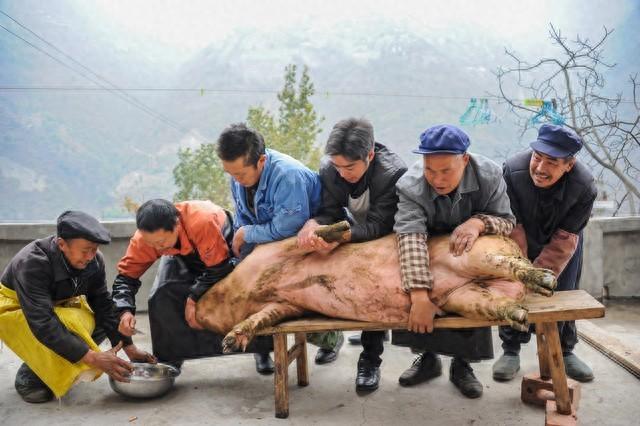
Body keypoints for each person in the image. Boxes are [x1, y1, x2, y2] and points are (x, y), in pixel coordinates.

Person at [393, 124, 515, 398]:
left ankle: (463, 365)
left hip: (469, 249)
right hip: (426, 245)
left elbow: (507, 222)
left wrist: (478, 223)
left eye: (446, 170)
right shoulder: (410, 184)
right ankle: (426, 359)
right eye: (430, 170)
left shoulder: (490, 174)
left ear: (465, 160)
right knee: (415, 295)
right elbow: (409, 235)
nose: (437, 179)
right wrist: (420, 297)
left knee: (470, 295)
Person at [297, 117, 407, 392]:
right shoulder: (330, 170)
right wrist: (315, 224)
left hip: (390, 237)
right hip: (354, 230)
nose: (343, 173)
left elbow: (380, 225)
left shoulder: (393, 173)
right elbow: (330, 212)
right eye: (337, 166)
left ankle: (370, 359)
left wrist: (341, 237)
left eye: (350, 167)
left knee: (374, 283)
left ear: (370, 155)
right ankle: (331, 336)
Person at [0, 211, 153, 403]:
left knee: (97, 320)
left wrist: (129, 347)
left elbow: (103, 304)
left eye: (94, 249)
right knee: (67, 324)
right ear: (62, 244)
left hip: (58, 306)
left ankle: (58, 363)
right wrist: (92, 357)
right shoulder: (32, 263)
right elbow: (42, 321)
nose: (90, 256)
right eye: (85, 250)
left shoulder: (94, 260)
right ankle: (30, 376)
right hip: (16, 309)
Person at [216, 123, 335, 368]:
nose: (236, 180)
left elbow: (289, 228)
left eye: (240, 174)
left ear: (260, 161)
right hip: (267, 241)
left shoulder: (287, 175)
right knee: (248, 285)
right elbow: (243, 218)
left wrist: (248, 233)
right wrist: (244, 253)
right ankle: (260, 345)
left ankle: (330, 339)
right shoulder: (238, 176)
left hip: (305, 243)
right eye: (231, 174)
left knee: (298, 297)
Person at [113, 199, 273, 375]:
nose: (157, 248)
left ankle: (261, 350)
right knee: (162, 295)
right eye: (152, 244)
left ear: (177, 225)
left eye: (161, 242)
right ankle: (170, 358)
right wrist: (125, 310)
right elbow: (125, 278)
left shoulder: (202, 220)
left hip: (223, 250)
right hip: (181, 255)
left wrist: (193, 299)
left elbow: (218, 268)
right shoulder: (146, 240)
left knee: (248, 291)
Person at [493, 124, 597, 383]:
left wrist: (540, 277)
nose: (540, 168)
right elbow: (511, 224)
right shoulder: (512, 172)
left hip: (563, 238)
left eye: (551, 162)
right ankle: (511, 349)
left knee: (563, 290)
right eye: (537, 157)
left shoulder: (585, 187)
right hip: (519, 232)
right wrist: (525, 272)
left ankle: (564, 350)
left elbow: (565, 239)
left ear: (569, 165)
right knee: (515, 286)